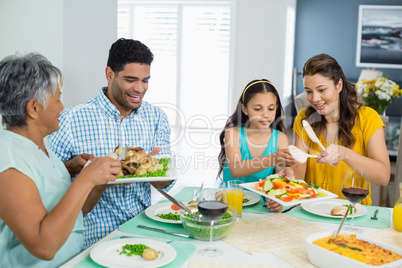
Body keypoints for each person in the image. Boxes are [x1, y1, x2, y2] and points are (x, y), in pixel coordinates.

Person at [48, 38, 174, 249]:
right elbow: (48, 183)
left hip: (142, 232)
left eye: (145, 80)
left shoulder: (156, 117)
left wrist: (152, 168)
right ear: (109, 74)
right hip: (91, 238)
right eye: (131, 80)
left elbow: (165, 183)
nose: (140, 89)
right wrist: (74, 167)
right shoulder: (70, 119)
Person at [0, 53, 121, 267]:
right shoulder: (8, 158)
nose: (62, 107)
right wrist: (86, 179)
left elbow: (71, 217)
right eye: (57, 99)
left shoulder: (43, 150)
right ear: (33, 108)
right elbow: (44, 246)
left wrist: (98, 179)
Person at [292, 53, 390, 205]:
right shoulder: (304, 119)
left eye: (322, 90)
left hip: (353, 212)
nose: (315, 98)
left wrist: (345, 154)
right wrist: (287, 176)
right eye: (309, 91)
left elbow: (383, 176)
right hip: (311, 209)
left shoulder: (368, 118)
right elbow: (297, 176)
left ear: (339, 85)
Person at [217, 79, 296, 212]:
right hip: (228, 204)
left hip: (263, 207)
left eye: (271, 109)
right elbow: (236, 169)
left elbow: (280, 177)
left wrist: (281, 194)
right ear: (245, 109)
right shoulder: (233, 133)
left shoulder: (280, 139)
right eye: (258, 109)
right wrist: (272, 158)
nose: (266, 114)